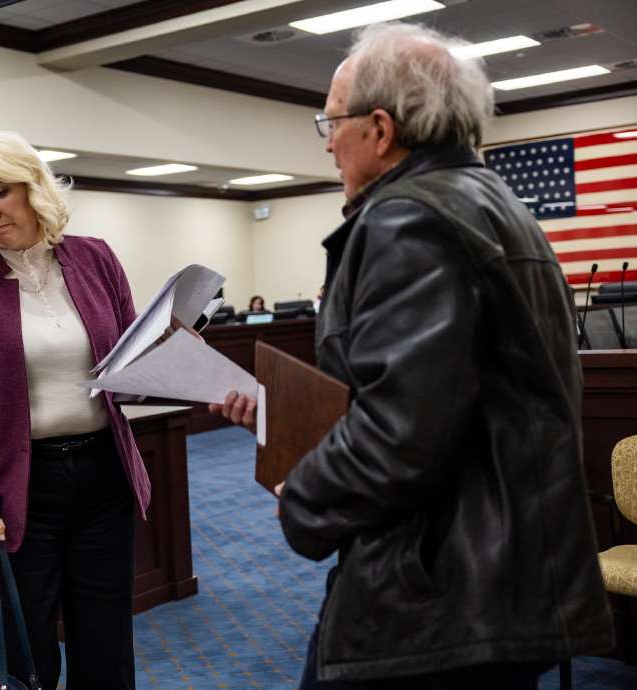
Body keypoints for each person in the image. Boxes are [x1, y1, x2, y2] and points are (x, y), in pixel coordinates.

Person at [214, 22, 612, 688]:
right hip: (501, 578)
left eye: (332, 123)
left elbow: (401, 432)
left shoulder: (410, 219)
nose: (329, 143)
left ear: (378, 128)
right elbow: (444, 394)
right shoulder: (496, 204)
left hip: (438, 591)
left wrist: (304, 494)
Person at [0, 131, 147, 690]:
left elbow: (127, 373)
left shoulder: (95, 258)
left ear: (32, 186)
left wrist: (172, 353)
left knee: (106, 652)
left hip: (102, 478)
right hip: (13, 492)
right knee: (22, 660)